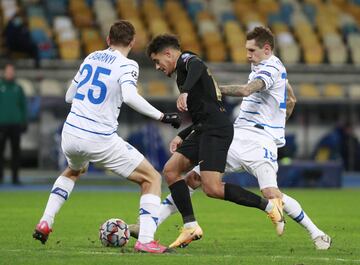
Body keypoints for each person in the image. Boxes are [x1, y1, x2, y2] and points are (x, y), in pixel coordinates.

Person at [148, 26, 331, 250]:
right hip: (238, 135)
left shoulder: (271, 69)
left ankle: (317, 233)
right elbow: (291, 98)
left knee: (272, 194)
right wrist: (279, 119)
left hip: (260, 139)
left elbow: (246, 90)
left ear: (266, 49)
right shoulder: (268, 67)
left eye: (252, 50)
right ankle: (151, 225)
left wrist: (213, 88)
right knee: (194, 179)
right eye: (246, 50)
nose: (247, 55)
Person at [32, 20, 181, 254]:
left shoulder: (91, 58)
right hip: (98, 137)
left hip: (70, 133)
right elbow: (130, 97)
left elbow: (70, 96)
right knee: (151, 178)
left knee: (74, 170)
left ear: (108, 40)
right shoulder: (128, 65)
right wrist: (162, 116)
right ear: (132, 42)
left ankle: (45, 221)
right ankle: (146, 239)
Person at [0, 63, 27, 185]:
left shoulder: (18, 88)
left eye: (12, 71)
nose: (10, 73)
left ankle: (15, 177)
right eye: (8, 71)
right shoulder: (1, 87)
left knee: (16, 152)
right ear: (4, 72)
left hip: (16, 124)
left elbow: (23, 106)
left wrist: (24, 121)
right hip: (2, 124)